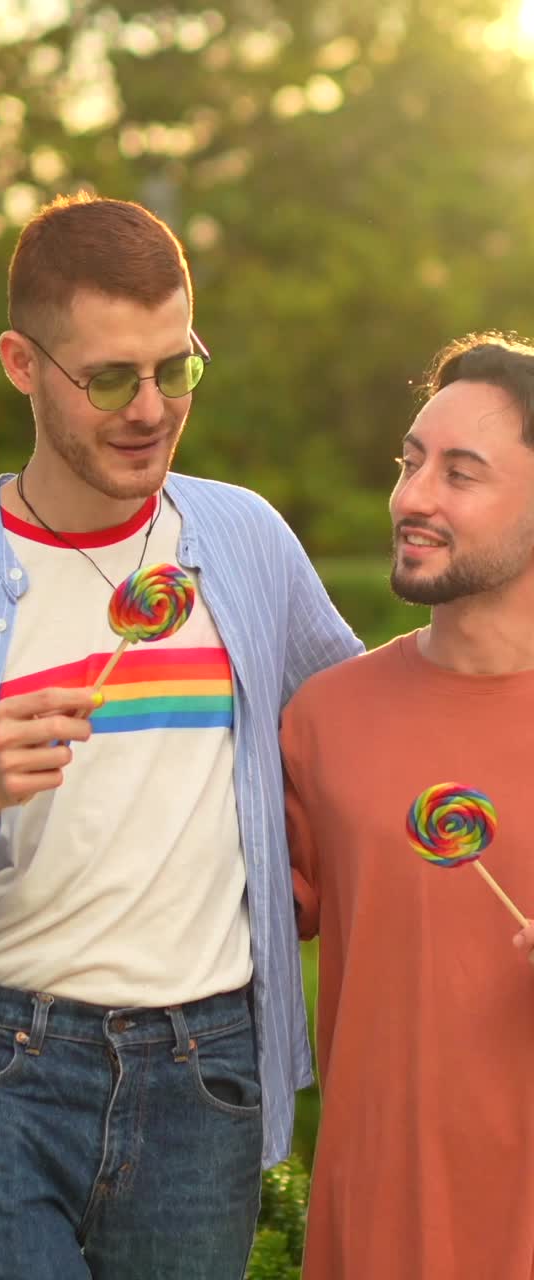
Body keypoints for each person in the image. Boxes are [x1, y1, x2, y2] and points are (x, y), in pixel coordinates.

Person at [0, 192, 361, 1280]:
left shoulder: (244, 541)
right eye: (111, 376)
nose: (151, 407)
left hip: (205, 1069)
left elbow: (369, 733)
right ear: (23, 362)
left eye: (179, 367)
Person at [281, 331, 534, 1280]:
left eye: (461, 473)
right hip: (373, 1237)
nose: (413, 497)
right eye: (411, 460)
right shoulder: (326, 721)